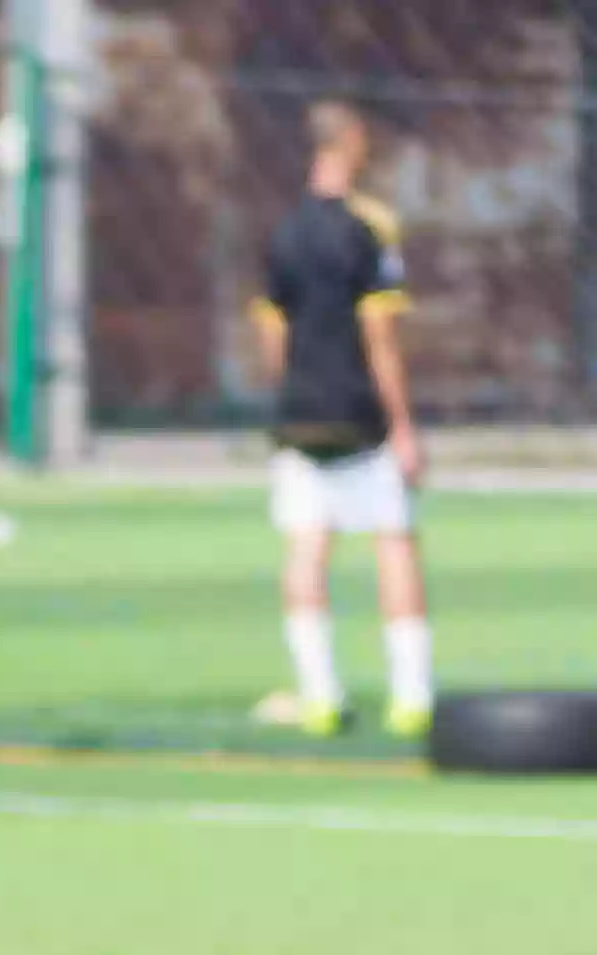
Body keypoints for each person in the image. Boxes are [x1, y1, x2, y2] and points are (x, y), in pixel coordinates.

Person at [253, 98, 434, 738]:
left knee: (307, 545)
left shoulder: (283, 232)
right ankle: (411, 698)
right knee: (394, 541)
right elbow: (380, 335)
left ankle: (320, 696)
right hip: (361, 412)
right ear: (350, 144)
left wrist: (292, 393)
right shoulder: (369, 226)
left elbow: (272, 339)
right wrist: (404, 426)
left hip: (300, 415)